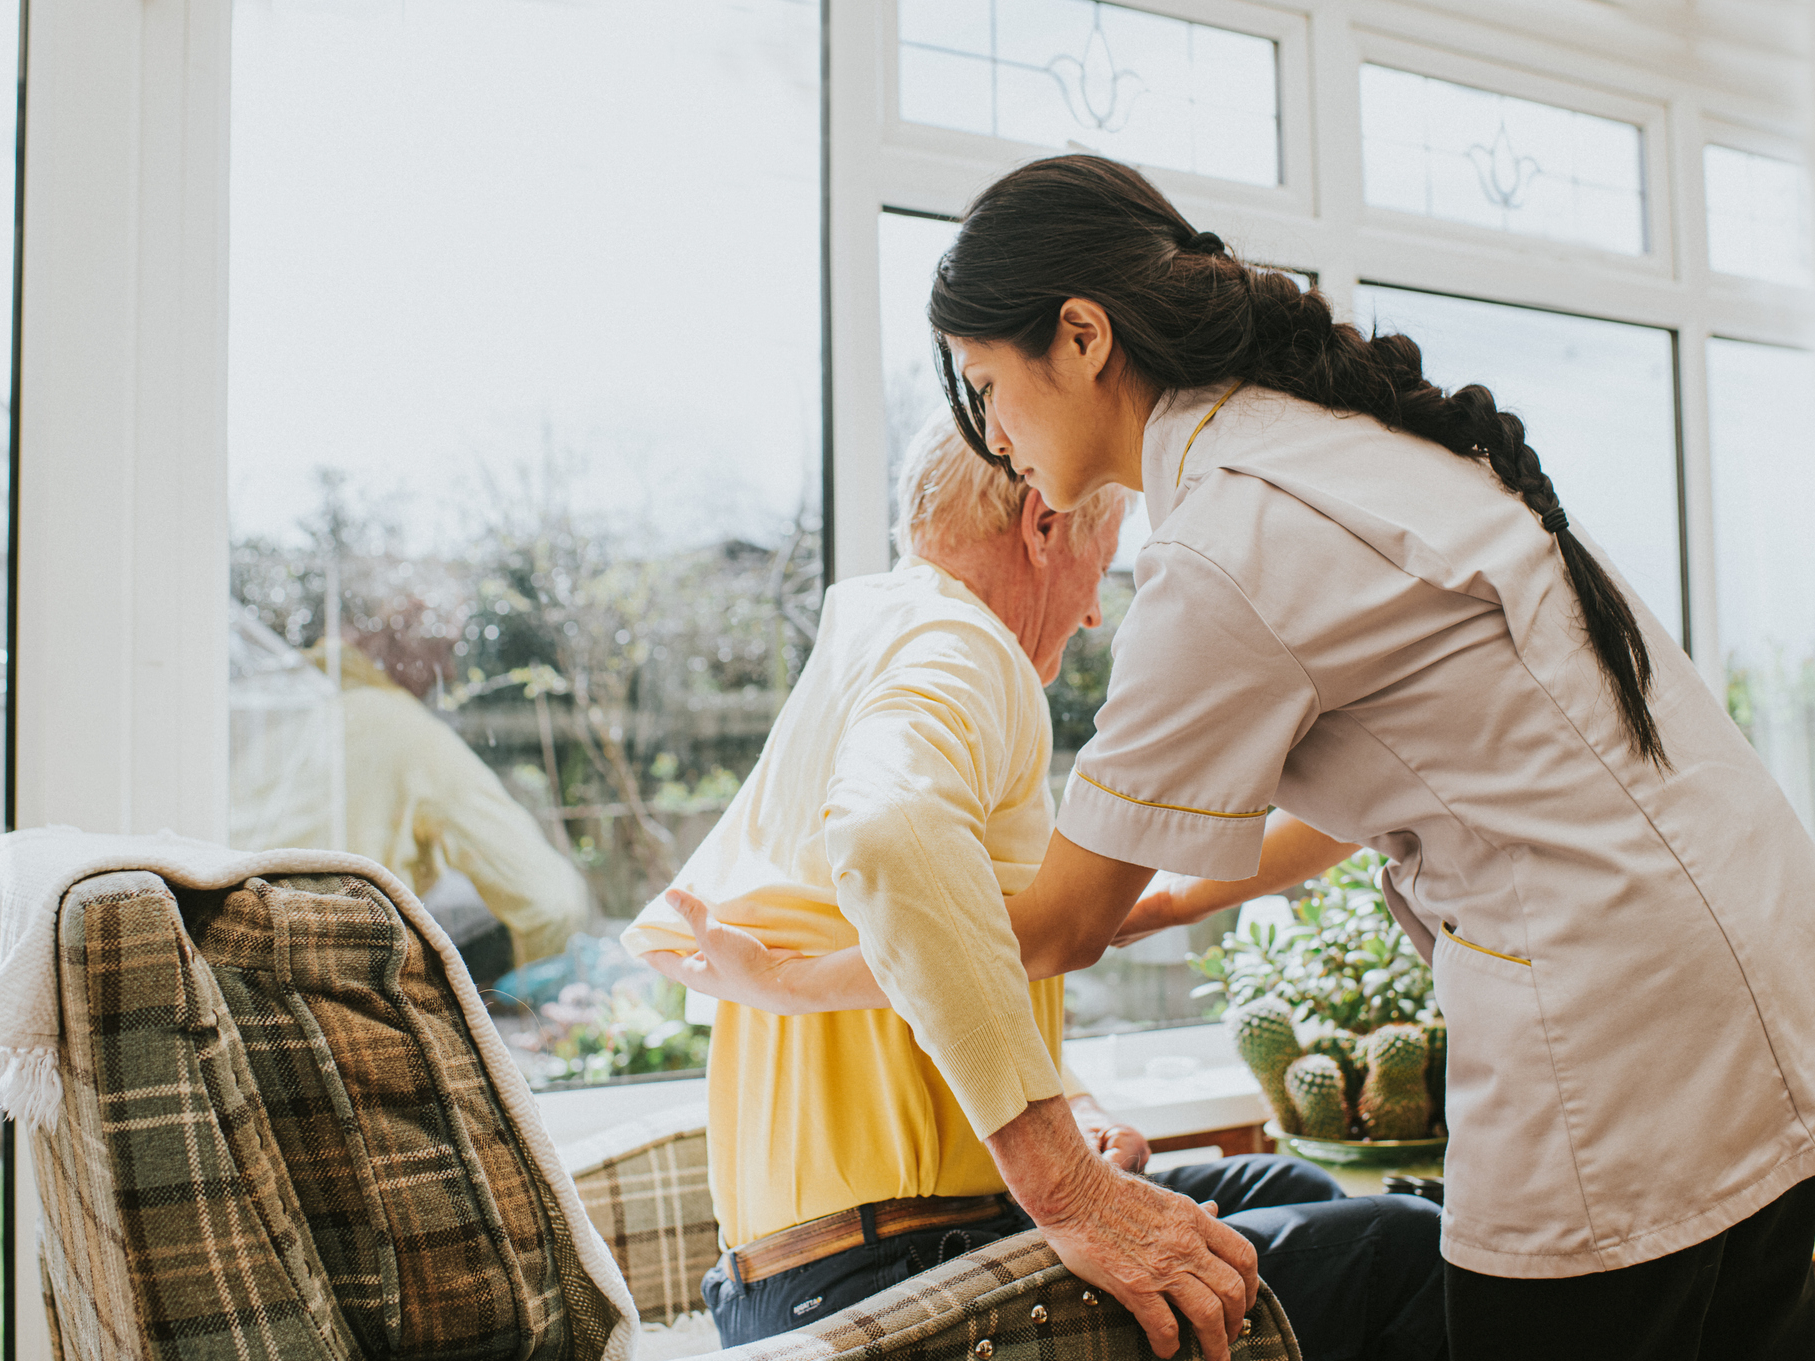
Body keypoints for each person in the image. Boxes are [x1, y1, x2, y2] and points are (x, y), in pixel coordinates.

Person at [678, 154, 1815, 1360]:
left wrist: (791, 979)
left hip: (1615, 1030)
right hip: (1756, 963)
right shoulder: (1327, 448)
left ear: (1082, 337)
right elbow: (1405, 786)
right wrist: (1161, 900)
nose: (996, 435)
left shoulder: (1221, 540)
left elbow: (1052, 920)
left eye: (988, 384)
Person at [625, 417, 1444, 1360]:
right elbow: (890, 832)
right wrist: (1067, 1185)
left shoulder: (877, 636)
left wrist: (1073, 1102)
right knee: (1406, 1248)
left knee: (1287, 1188)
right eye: (1105, 557)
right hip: (885, 1275)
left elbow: (998, 931)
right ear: (1042, 523)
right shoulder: (959, 644)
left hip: (803, 1272)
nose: (1096, 611)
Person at [230, 606, 590, 966]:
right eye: (445, 649)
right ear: (401, 636)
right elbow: (554, 906)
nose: (449, 672)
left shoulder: (263, 705)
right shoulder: (406, 731)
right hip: (314, 977)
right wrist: (530, 991)